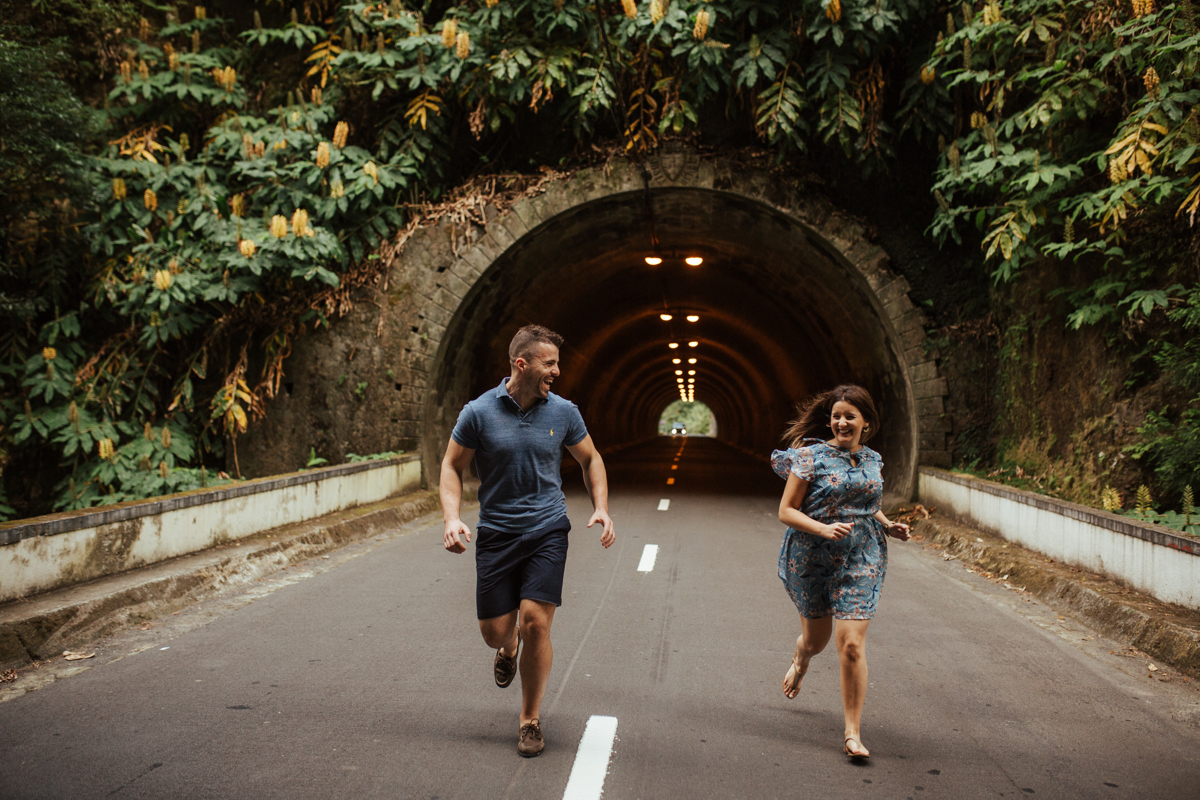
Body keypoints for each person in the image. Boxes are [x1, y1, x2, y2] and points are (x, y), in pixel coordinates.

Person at [439, 324, 616, 758]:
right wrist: (451, 518)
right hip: (497, 532)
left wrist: (601, 506)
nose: (557, 371)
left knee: (537, 621)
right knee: (494, 632)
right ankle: (508, 644)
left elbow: (591, 459)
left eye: (557, 363)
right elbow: (451, 466)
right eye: (549, 363)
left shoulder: (564, 412)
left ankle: (529, 719)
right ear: (522, 364)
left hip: (547, 529)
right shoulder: (478, 412)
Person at [770, 384, 910, 759]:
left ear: (866, 423)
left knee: (850, 644)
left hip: (862, 555)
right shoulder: (809, 457)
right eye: (836, 416)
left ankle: (852, 733)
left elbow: (866, 502)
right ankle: (801, 659)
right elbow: (786, 510)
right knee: (815, 641)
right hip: (812, 556)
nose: (842, 422)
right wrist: (822, 529)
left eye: (850, 416)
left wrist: (888, 524)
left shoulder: (872, 459)